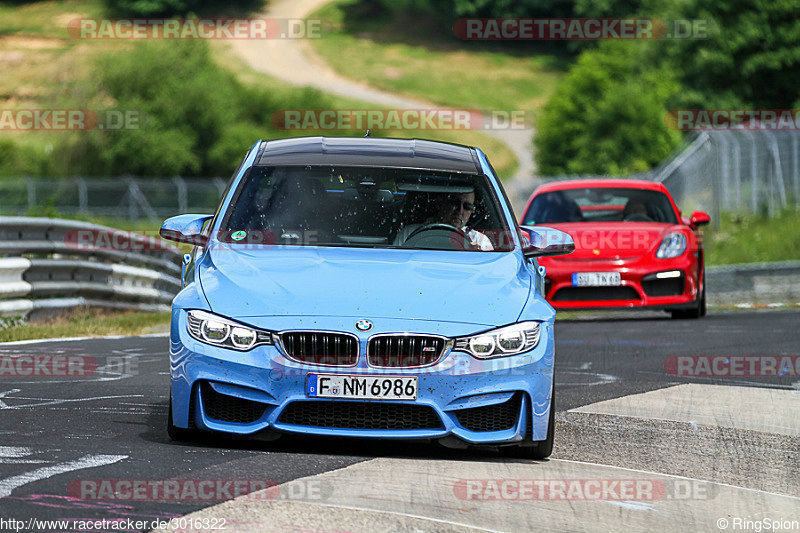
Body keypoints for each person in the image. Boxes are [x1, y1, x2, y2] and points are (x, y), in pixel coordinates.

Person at [394, 190, 493, 250]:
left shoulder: (480, 241)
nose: (460, 211)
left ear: (472, 212)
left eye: (467, 207)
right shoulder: (409, 234)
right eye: (454, 203)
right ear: (440, 203)